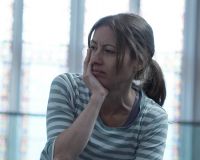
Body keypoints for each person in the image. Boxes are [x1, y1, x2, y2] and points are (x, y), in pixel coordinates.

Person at [40, 13, 168, 160]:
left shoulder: (153, 119)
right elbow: (60, 156)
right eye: (93, 48)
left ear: (140, 62)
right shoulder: (68, 88)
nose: (95, 59)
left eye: (109, 51)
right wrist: (97, 98)